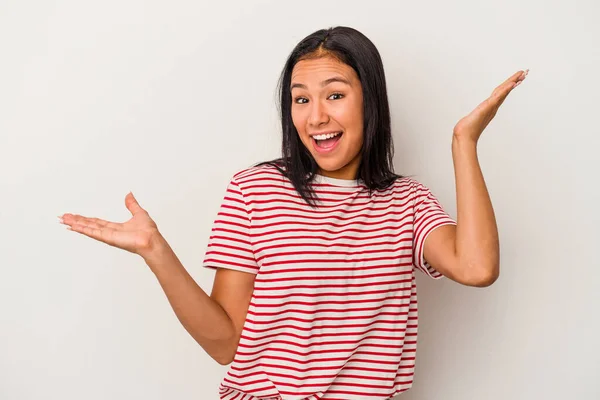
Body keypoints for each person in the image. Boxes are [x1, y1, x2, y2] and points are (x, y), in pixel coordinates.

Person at [59, 26, 528, 400]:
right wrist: (155, 252)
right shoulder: (255, 190)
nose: (315, 116)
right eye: (301, 99)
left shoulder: (406, 202)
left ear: (371, 101)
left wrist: (464, 142)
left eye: (335, 94)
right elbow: (226, 345)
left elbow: (477, 267)